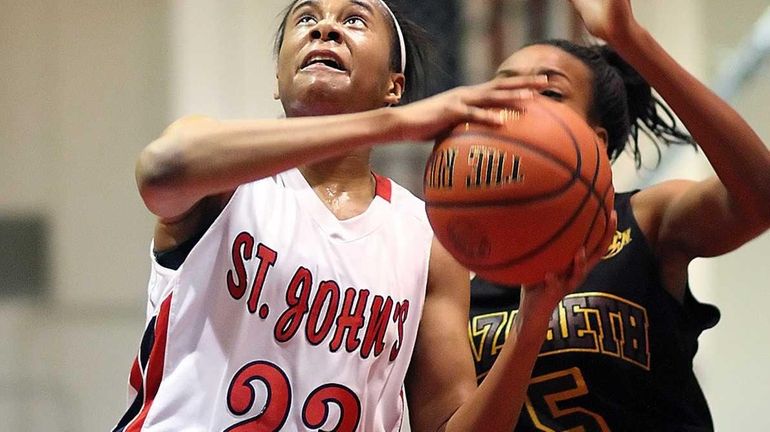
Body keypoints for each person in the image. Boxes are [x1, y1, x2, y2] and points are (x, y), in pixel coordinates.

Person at [112, 1, 602, 431]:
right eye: (306, 18)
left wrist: (532, 322)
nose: (324, 28)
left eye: (354, 19)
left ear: (395, 85)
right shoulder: (221, 171)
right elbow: (161, 170)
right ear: (278, 79)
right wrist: (398, 124)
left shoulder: (425, 238)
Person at [469, 0, 770, 430]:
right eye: (500, 89)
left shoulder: (644, 218)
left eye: (550, 92)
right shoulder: (448, 258)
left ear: (595, 138)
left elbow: (759, 199)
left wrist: (632, 40)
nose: (517, 103)